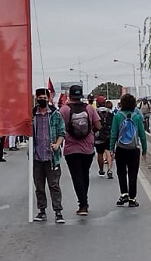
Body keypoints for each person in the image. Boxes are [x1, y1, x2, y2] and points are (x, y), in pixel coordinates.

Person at [59, 84, 100, 216]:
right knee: (84, 174)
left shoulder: (64, 110)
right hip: (88, 148)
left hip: (71, 149)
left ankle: (83, 205)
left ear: (70, 95)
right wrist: (90, 132)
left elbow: (59, 128)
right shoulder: (89, 108)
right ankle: (84, 201)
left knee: (76, 176)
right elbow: (98, 125)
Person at [31, 88, 66, 223]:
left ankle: (58, 212)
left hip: (52, 158)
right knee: (39, 186)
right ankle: (42, 211)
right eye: (40, 98)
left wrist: (57, 144)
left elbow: (62, 133)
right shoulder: (32, 115)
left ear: (48, 99)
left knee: (54, 185)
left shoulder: (55, 115)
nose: (42, 100)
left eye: (44, 98)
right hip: (37, 157)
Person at [108, 94, 148, 207]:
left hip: (121, 149)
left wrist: (111, 149)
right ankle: (132, 199)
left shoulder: (117, 116)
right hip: (134, 149)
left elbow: (113, 134)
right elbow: (142, 135)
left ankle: (123, 194)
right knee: (133, 174)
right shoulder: (136, 117)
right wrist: (144, 150)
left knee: (121, 172)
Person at [93, 96, 115, 180]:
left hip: (98, 135)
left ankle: (101, 170)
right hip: (108, 134)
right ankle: (109, 169)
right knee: (108, 152)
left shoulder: (95, 112)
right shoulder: (110, 111)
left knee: (100, 153)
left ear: (97, 103)